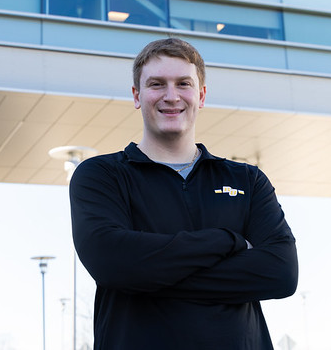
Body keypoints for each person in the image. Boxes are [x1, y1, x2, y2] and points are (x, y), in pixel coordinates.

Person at [69, 37, 298, 349]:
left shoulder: (247, 179)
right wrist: (227, 241)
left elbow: (280, 273)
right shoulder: (102, 175)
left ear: (201, 95)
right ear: (137, 95)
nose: (171, 96)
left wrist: (145, 277)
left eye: (183, 84)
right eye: (157, 84)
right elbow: (111, 262)